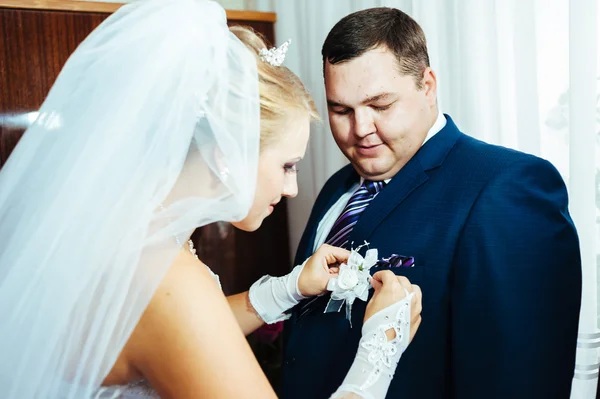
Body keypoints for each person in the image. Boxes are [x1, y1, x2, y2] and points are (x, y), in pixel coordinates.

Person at [0, 1, 423, 398]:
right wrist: (381, 346)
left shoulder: (132, 236)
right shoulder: (170, 281)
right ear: (228, 156)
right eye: (286, 166)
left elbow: (178, 333)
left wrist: (289, 289)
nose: (293, 188)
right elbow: (179, 316)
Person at [282, 7, 582, 399]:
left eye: (380, 105)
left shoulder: (507, 187)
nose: (360, 130)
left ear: (427, 85)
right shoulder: (336, 188)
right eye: (341, 110)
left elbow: (519, 378)